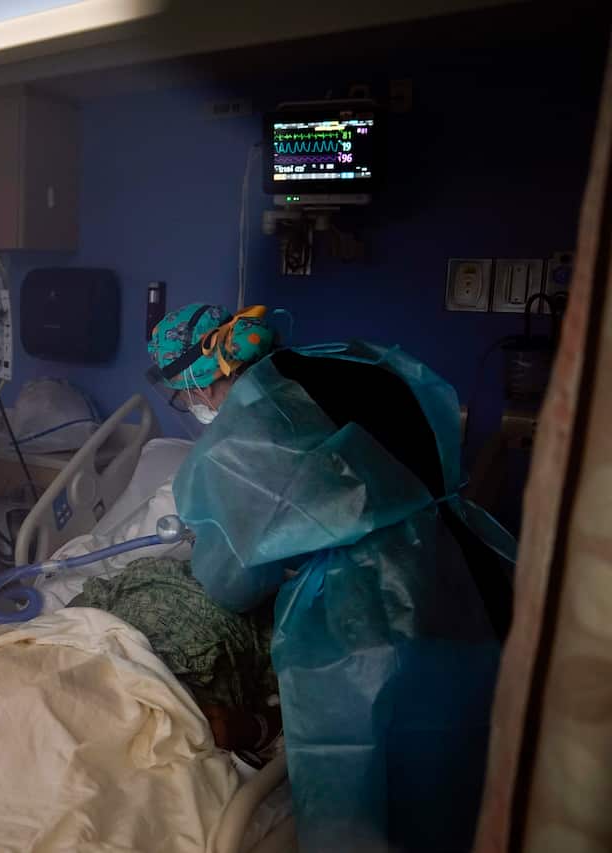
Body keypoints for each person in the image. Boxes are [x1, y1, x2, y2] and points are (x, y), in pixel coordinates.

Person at [148, 303, 515, 851]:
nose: (192, 408)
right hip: (469, 566)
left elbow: (232, 580)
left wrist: (214, 547)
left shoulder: (246, 434)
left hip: (376, 610)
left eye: (185, 397)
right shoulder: (347, 361)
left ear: (203, 380)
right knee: (463, 771)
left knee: (369, 794)